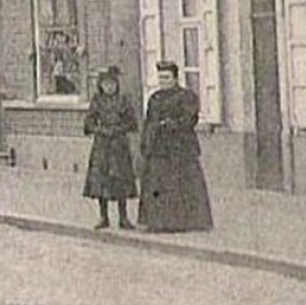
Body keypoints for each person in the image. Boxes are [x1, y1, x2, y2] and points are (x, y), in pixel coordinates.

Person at [138, 61, 213, 232]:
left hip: (181, 148)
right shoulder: (155, 98)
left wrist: (170, 124)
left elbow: (189, 119)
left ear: (175, 78)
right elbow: (148, 122)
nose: (163, 82)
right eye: (161, 78)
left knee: (181, 185)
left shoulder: (187, 97)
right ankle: (157, 222)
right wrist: (145, 142)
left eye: (167, 78)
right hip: (158, 148)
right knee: (157, 185)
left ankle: (184, 222)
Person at [81, 66, 138, 229]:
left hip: (119, 145)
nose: (109, 87)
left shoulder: (123, 100)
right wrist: (100, 130)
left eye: (112, 83)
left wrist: (119, 129)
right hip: (102, 146)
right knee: (101, 181)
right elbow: (88, 123)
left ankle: (123, 217)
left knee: (121, 180)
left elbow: (132, 122)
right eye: (106, 84)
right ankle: (103, 217)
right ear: (101, 85)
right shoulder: (97, 101)